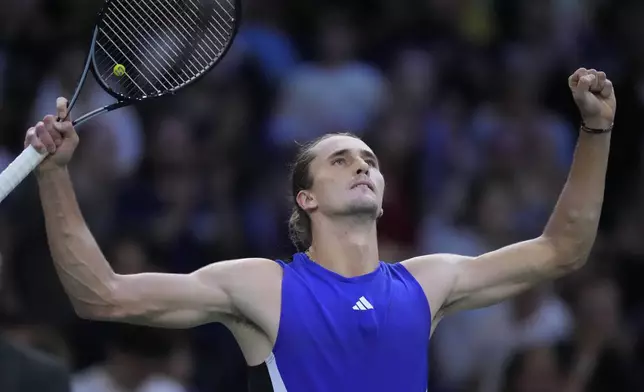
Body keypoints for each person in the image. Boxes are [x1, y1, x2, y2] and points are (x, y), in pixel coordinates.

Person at [25, 67, 615, 391]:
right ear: (305, 198)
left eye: (371, 161)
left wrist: (596, 134)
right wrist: (55, 175)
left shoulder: (428, 282)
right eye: (341, 159)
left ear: (384, 199)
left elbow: (562, 250)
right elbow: (100, 295)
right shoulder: (262, 287)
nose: (363, 164)